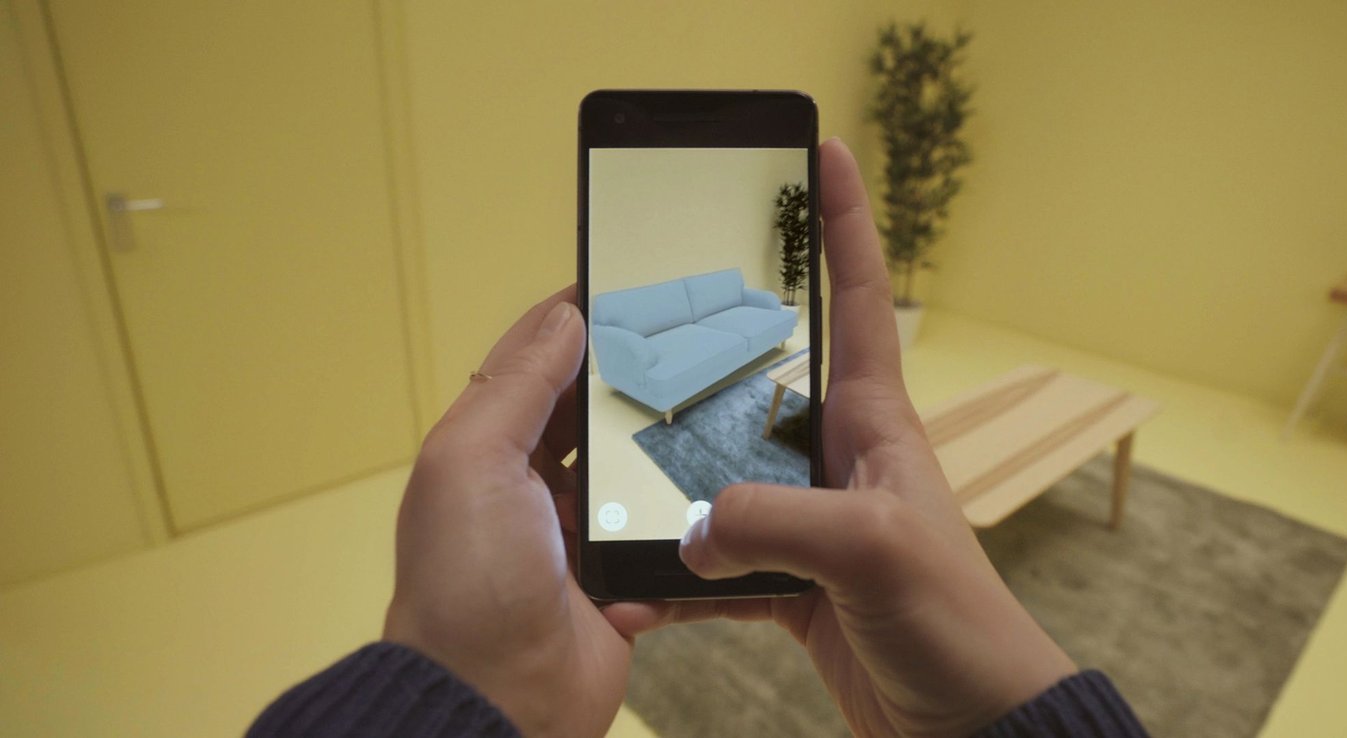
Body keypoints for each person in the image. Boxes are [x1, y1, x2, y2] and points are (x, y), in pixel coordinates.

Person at [247, 139, 1149, 738]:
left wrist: (470, 691)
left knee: (786, 385)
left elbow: (750, 305)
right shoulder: (619, 327)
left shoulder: (745, 297)